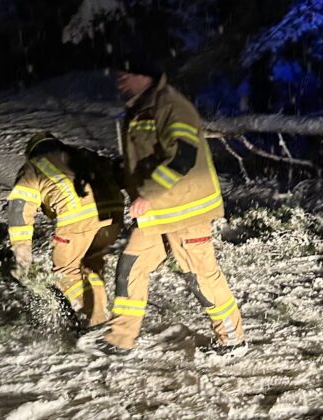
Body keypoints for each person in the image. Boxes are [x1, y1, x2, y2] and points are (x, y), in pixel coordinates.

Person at [78, 52, 245, 356]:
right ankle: (120, 340)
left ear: (146, 75)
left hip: (185, 208)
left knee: (199, 274)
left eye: (127, 72)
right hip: (158, 210)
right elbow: (144, 160)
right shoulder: (141, 109)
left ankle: (232, 340)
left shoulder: (171, 106)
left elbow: (181, 157)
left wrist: (148, 195)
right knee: (131, 265)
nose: (120, 78)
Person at [7, 132, 124, 329]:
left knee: (66, 270)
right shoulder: (82, 154)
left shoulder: (34, 166)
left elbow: (20, 205)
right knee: (92, 264)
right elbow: (118, 173)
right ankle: (101, 314)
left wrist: (21, 245)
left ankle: (92, 323)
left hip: (77, 218)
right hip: (113, 214)